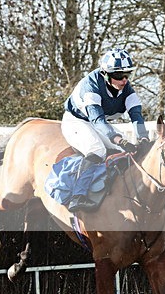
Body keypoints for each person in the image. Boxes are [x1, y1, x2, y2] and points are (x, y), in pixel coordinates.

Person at [62, 48, 149, 212]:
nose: (123, 80)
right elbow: (97, 120)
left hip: (97, 122)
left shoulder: (127, 89)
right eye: (118, 76)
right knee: (97, 149)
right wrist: (119, 140)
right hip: (76, 121)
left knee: (123, 151)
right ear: (105, 73)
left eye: (127, 74)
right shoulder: (91, 86)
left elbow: (136, 115)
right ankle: (77, 196)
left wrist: (142, 138)